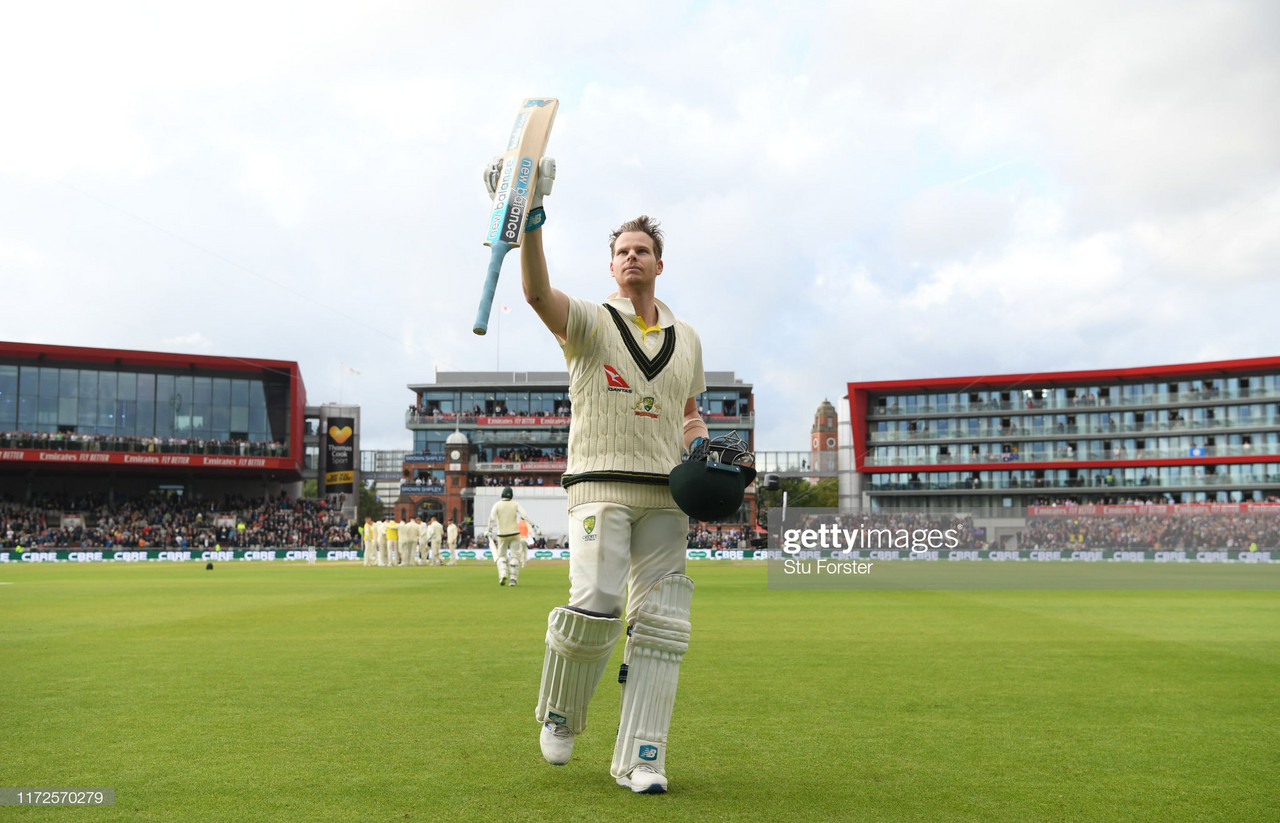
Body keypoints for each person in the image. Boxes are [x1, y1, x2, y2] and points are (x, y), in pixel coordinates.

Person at [518, 203, 707, 794]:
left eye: (642, 250)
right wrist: (532, 222)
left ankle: (642, 756)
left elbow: (690, 414)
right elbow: (535, 292)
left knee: (660, 624)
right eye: (623, 251)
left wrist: (704, 453)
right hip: (600, 485)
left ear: (658, 264)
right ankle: (561, 715)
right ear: (611, 265)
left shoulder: (688, 338)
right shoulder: (591, 322)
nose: (632, 257)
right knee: (596, 598)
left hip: (666, 493)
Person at [487, 487, 539, 586]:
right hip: (514, 533)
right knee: (515, 556)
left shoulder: (497, 505)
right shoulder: (515, 504)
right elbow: (525, 514)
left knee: (501, 556)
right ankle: (513, 580)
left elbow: (491, 518)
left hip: (502, 534)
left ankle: (503, 574)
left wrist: (489, 530)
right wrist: (533, 525)